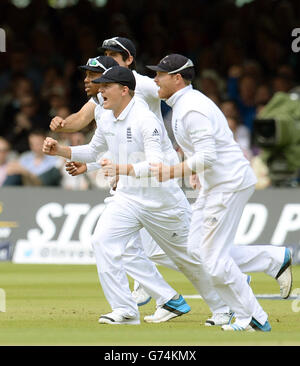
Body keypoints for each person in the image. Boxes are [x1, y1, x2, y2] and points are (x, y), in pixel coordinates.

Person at [42, 66, 233, 325]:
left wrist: (124, 168)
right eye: (100, 86)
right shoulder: (106, 114)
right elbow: (94, 150)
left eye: (106, 86)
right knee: (102, 241)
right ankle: (125, 310)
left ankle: (225, 308)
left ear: (124, 90)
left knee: (189, 258)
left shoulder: (145, 119)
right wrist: (61, 151)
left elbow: (156, 167)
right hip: (128, 198)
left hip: (161, 200)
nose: (100, 90)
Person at [147, 54, 292, 331]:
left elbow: (209, 155)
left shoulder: (191, 108)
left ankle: (253, 317)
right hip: (217, 183)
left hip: (229, 183)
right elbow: (203, 149)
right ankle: (273, 259)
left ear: (177, 78)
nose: (156, 79)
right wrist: (193, 171)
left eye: (160, 75)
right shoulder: (184, 104)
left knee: (213, 260)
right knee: (197, 252)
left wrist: (173, 172)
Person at [49, 37, 184, 308]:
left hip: (156, 176)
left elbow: (179, 103)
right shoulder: (105, 104)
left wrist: (187, 153)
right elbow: (103, 141)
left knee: (165, 250)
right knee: (131, 246)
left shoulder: (142, 86)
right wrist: (63, 137)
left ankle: (222, 274)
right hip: (132, 181)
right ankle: (164, 298)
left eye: (113, 56)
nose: (90, 81)